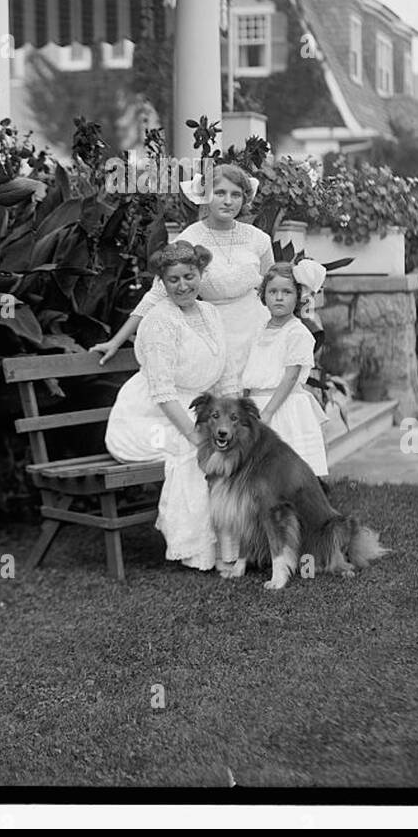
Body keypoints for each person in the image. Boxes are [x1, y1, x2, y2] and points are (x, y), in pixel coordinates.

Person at [104, 241, 235, 570]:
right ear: (162, 282)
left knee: (232, 444)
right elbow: (163, 393)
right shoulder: (160, 321)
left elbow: (224, 373)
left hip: (191, 412)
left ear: (200, 274)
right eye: (173, 279)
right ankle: (198, 549)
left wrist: (231, 419)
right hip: (146, 422)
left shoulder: (210, 313)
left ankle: (235, 541)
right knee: (196, 451)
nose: (183, 286)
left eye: (189, 276)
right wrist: (193, 435)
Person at [92, 162, 272, 386]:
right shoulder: (190, 239)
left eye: (236, 195)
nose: (228, 201)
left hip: (258, 331)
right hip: (216, 334)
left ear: (244, 199)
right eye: (220, 193)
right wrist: (116, 341)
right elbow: (157, 294)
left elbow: (270, 288)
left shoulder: (259, 239)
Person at [240, 260, 330, 477]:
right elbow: (253, 368)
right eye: (273, 292)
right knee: (257, 470)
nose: (279, 297)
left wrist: (268, 412)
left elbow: (290, 377)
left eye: (287, 292)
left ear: (299, 297)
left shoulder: (297, 333)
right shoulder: (260, 330)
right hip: (256, 404)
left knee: (285, 471)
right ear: (263, 296)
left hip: (282, 405)